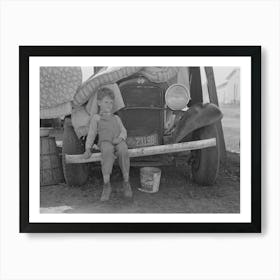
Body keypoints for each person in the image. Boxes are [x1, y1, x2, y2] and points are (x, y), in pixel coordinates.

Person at [83, 87, 132, 201]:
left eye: (111, 102)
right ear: (99, 103)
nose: (109, 105)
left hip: (118, 140)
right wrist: (88, 148)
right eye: (106, 102)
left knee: (123, 150)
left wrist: (120, 139)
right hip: (105, 142)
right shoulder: (96, 118)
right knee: (107, 151)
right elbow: (91, 134)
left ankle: (126, 182)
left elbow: (123, 131)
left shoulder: (116, 117)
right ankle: (106, 185)